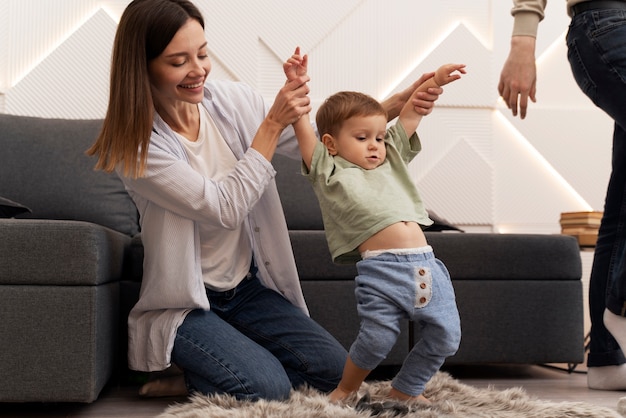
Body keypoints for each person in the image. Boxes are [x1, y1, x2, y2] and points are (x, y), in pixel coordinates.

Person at [87, 0, 445, 401]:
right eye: (178, 61)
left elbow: (327, 146)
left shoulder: (231, 102)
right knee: (266, 386)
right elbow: (224, 207)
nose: (199, 69)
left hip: (247, 291)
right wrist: (273, 122)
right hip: (189, 305)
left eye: (203, 54)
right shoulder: (136, 148)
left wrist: (400, 103)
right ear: (143, 66)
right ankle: (198, 369)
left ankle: (224, 362)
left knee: (333, 371)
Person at [283, 48, 465, 404]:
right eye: (362, 137)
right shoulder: (328, 170)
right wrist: (296, 85)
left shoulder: (392, 158)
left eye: (379, 137)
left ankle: (405, 390)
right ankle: (346, 389)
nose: (375, 146)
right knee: (377, 339)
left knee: (447, 337)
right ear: (331, 144)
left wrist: (436, 81)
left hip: (428, 265)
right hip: (382, 270)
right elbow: (302, 126)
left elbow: (412, 112)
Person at [499, 0, 626, 390]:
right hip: (609, 19)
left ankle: (606, 361)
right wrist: (523, 40)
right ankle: (621, 308)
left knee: (621, 205)